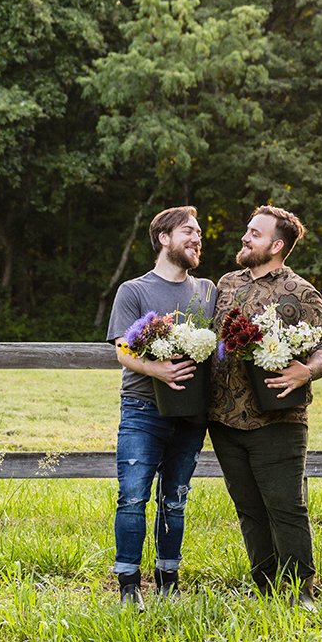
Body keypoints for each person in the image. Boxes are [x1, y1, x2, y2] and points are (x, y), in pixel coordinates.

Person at [208, 205, 322, 611]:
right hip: (225, 417)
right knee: (247, 507)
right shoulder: (226, 284)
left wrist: (306, 372)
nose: (245, 237)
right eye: (247, 230)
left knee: (286, 506)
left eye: (254, 233)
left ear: (276, 245)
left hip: (278, 418)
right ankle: (264, 584)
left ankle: (301, 590)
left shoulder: (301, 292)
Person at [104, 205, 218, 608]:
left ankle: (168, 578)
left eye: (199, 233)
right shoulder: (133, 291)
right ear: (164, 238)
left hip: (191, 414)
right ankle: (128, 585)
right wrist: (156, 368)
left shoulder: (207, 291)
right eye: (188, 231)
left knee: (175, 497)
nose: (197, 238)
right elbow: (122, 349)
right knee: (133, 496)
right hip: (141, 408)